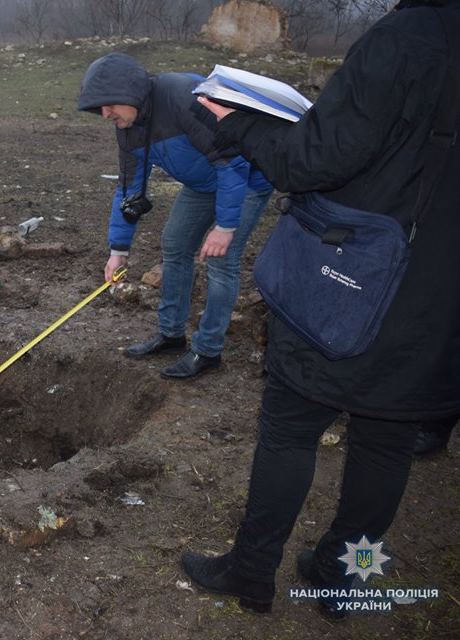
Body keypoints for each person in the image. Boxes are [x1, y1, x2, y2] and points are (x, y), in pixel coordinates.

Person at [180, 0, 460, 616]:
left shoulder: (407, 38)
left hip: (350, 281)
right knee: (386, 444)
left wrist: (242, 123)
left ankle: (251, 570)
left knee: (289, 427)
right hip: (438, 304)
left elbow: (311, 161)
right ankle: (343, 580)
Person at [77, 53, 273, 379]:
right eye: (98, 107)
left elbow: (232, 162)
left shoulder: (184, 97)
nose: (104, 113)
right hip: (203, 182)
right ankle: (171, 334)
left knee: (221, 260)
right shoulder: (128, 126)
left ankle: (208, 350)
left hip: (247, 177)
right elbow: (128, 190)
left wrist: (224, 227)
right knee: (174, 242)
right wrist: (118, 252)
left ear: (131, 92)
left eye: (108, 104)